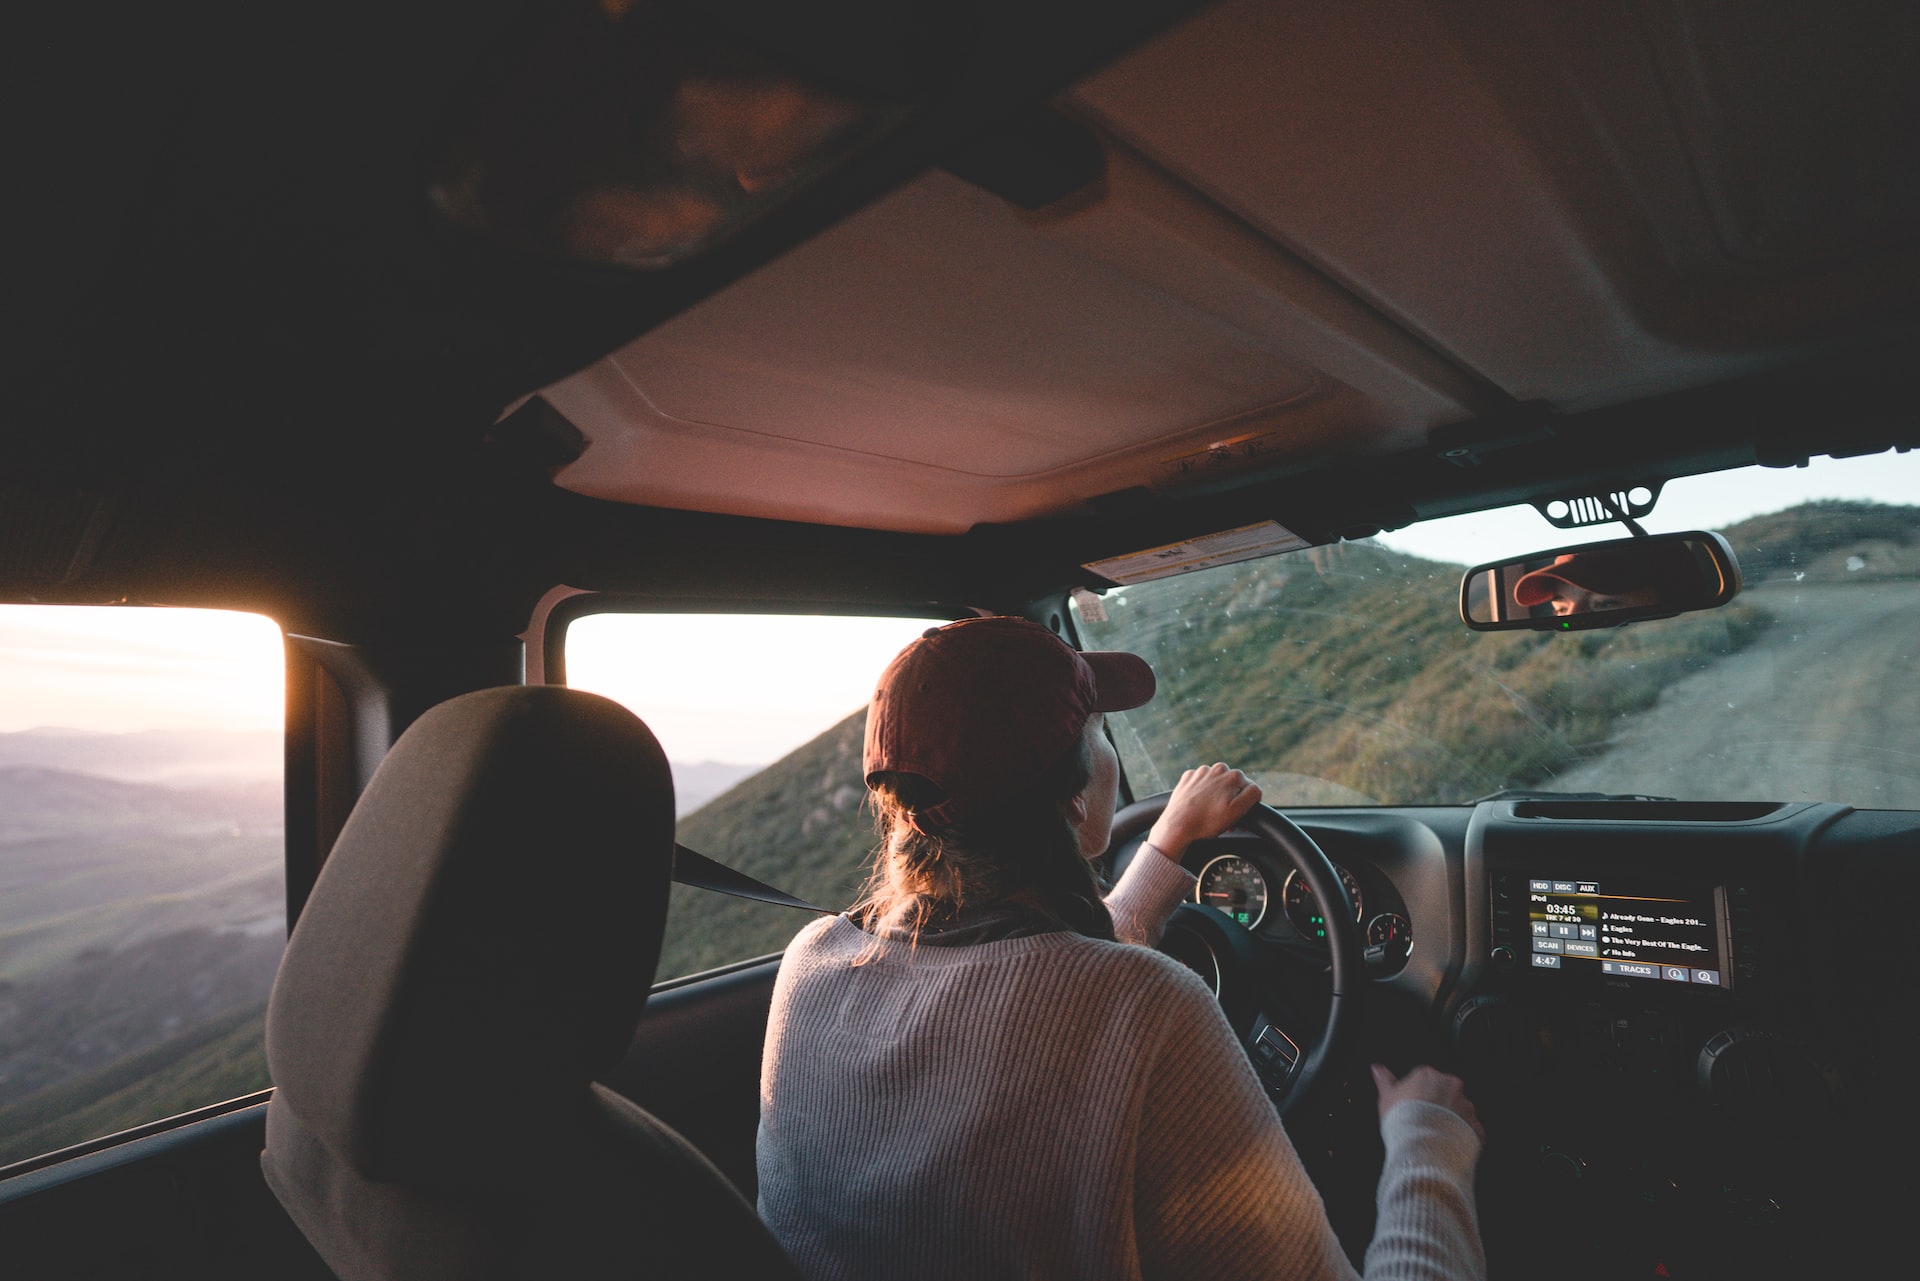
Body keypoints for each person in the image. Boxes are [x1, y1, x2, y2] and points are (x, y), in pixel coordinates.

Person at [756, 616, 1486, 1280]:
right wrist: (1428, 1146)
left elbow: (1036, 980)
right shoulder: (1146, 1004)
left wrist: (1167, 843)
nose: (1107, 748)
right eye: (1100, 730)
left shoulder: (811, 961)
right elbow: (1081, 997)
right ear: (1074, 799)